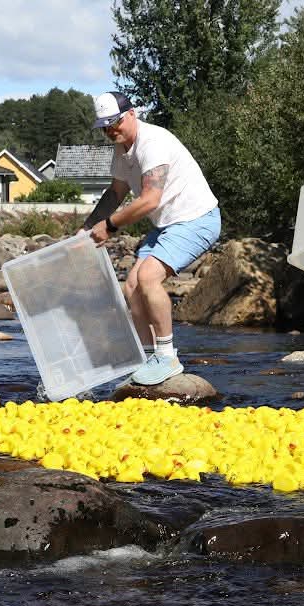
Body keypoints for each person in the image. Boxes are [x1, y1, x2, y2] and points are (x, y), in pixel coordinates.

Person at [82, 92, 220, 386]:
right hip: (168, 225)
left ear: (131, 114)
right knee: (131, 285)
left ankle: (167, 357)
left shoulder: (152, 143)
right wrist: (86, 229)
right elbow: (115, 193)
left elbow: (149, 200)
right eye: (105, 127)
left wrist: (109, 226)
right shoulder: (122, 150)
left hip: (196, 219)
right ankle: (148, 359)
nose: (111, 131)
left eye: (115, 123)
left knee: (147, 278)